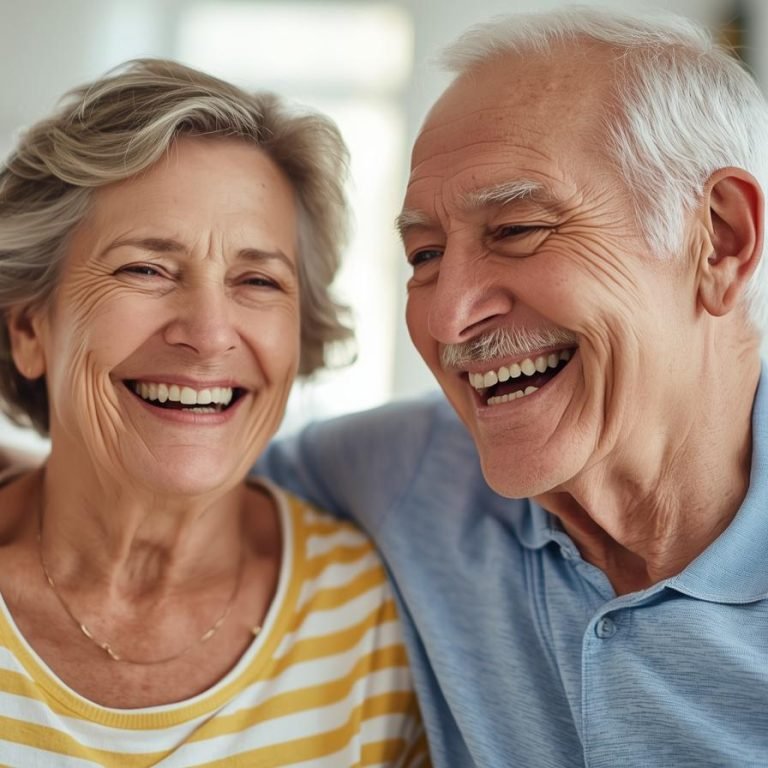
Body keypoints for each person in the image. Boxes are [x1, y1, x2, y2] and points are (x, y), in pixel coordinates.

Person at [259, 6, 768, 767]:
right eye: (424, 255)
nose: (452, 314)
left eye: (518, 230)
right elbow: (147, 487)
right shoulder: (404, 472)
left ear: (720, 241)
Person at [0, 59, 429, 766]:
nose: (207, 334)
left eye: (257, 280)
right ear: (29, 329)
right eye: (146, 268)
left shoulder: (377, 621)